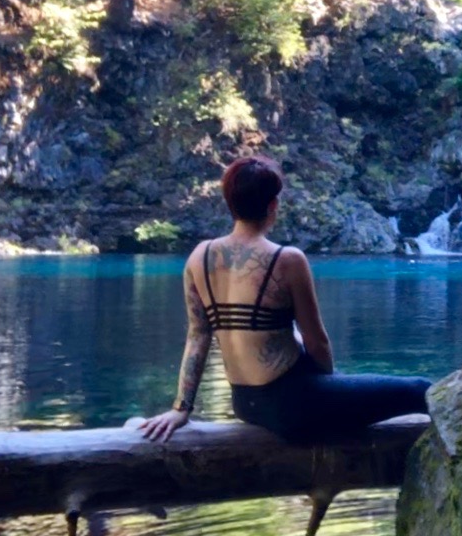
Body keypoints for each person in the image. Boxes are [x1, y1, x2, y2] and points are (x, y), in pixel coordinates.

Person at [138, 155, 432, 443]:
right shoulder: (287, 259)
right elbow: (317, 341)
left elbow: (198, 337)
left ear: (230, 203)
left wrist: (181, 408)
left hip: (244, 402)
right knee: (421, 390)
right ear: (272, 206)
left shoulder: (199, 257)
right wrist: (330, 385)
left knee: (342, 389)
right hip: (293, 406)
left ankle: (328, 481)